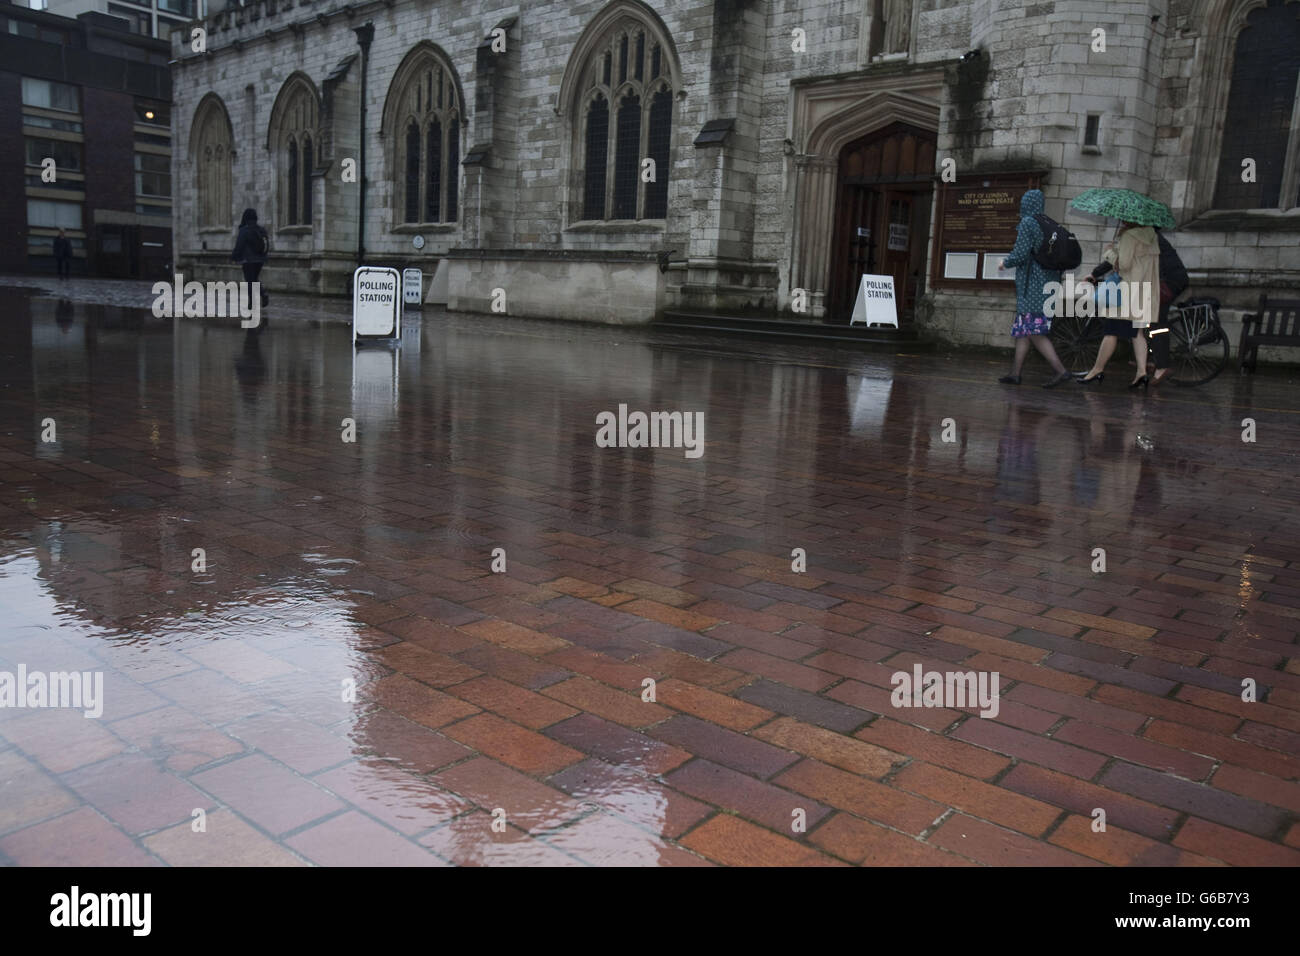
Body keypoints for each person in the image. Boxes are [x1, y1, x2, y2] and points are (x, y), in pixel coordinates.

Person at [998, 189, 1073, 388]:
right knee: (1024, 330)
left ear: (1025, 204)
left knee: (1034, 331)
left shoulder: (1028, 222)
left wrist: (1005, 262)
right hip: (1048, 284)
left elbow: (1021, 253)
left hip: (1033, 286)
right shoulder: (1047, 223)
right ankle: (1015, 373)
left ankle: (1061, 371)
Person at [1076, 219, 1159, 388]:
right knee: (1138, 333)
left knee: (1111, 331)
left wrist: (1110, 253)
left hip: (1125, 293)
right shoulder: (1151, 236)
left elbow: (1124, 264)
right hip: (1142, 292)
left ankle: (1097, 370)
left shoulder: (1129, 236)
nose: (1121, 221)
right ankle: (1142, 373)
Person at [231, 207, 270, 309]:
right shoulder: (261, 229)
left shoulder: (244, 230)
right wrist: (263, 256)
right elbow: (266, 244)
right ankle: (263, 294)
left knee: (249, 281)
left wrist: (234, 256)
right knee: (254, 279)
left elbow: (239, 245)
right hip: (260, 260)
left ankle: (251, 303)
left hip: (248, 260)